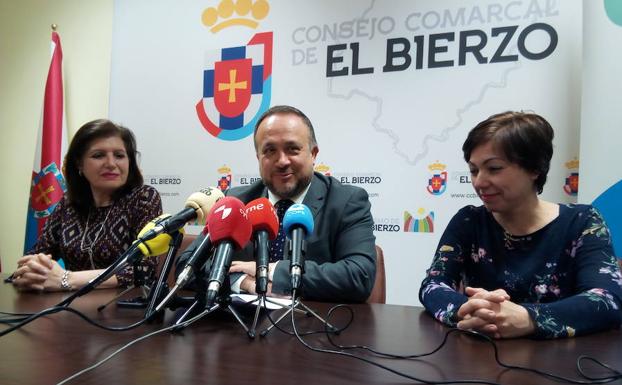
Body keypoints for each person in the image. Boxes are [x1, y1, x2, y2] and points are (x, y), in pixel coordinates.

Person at [419, 111, 622, 339]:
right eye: (474, 170)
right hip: (477, 362)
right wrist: (466, 311)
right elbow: (433, 285)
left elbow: (608, 299)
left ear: (535, 168)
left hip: (562, 365)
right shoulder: (469, 221)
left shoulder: (583, 221)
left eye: (494, 168)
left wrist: (528, 318)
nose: (479, 182)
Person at [178, 105, 376, 302]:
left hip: (312, 327)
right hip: (239, 326)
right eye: (270, 151)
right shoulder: (236, 201)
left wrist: (272, 272)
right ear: (258, 158)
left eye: (292, 149)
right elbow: (187, 266)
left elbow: (360, 276)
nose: (282, 161)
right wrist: (244, 282)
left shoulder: (347, 201)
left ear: (313, 154)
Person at [12, 119, 163, 292]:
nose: (111, 163)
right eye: (98, 155)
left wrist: (67, 279)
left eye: (119, 155)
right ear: (79, 164)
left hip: (125, 308)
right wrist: (34, 269)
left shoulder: (143, 198)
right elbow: (37, 254)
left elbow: (142, 269)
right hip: (70, 306)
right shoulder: (67, 204)